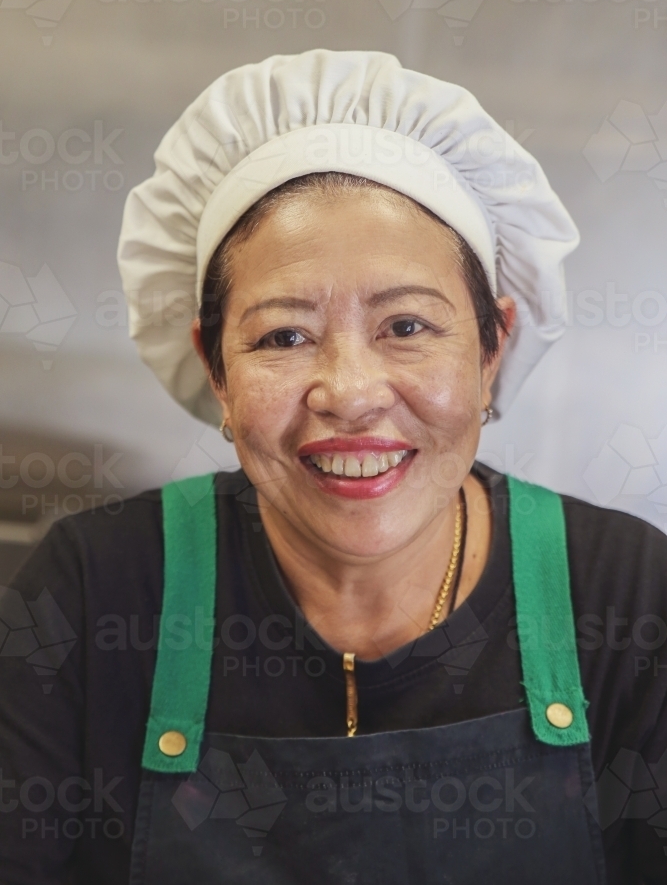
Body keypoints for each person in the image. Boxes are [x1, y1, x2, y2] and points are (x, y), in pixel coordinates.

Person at [1, 49, 666, 885]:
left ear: (493, 345)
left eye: (407, 327)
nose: (349, 393)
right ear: (215, 367)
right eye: (284, 336)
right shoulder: (96, 591)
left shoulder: (626, 597)